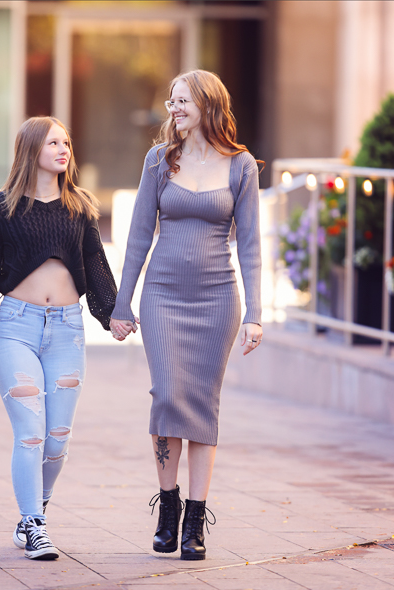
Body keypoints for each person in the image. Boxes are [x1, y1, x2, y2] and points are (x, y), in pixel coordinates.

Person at [110, 70, 263, 560]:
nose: (173, 109)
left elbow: (253, 248)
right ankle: (169, 505)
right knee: (168, 396)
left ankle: (196, 520)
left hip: (218, 298)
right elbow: (137, 237)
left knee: (202, 403)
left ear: (208, 104)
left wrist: (256, 313)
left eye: (182, 101)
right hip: (163, 296)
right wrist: (122, 301)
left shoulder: (240, 166)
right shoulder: (159, 160)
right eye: (170, 101)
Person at [0, 116, 118, 560]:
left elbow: (96, 264)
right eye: (54, 142)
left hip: (67, 330)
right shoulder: (2, 207)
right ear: (32, 149)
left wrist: (114, 314)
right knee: (30, 431)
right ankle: (34, 524)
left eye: (67, 142)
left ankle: (36, 510)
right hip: (17, 328)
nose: (64, 148)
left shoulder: (81, 206)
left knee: (58, 437)